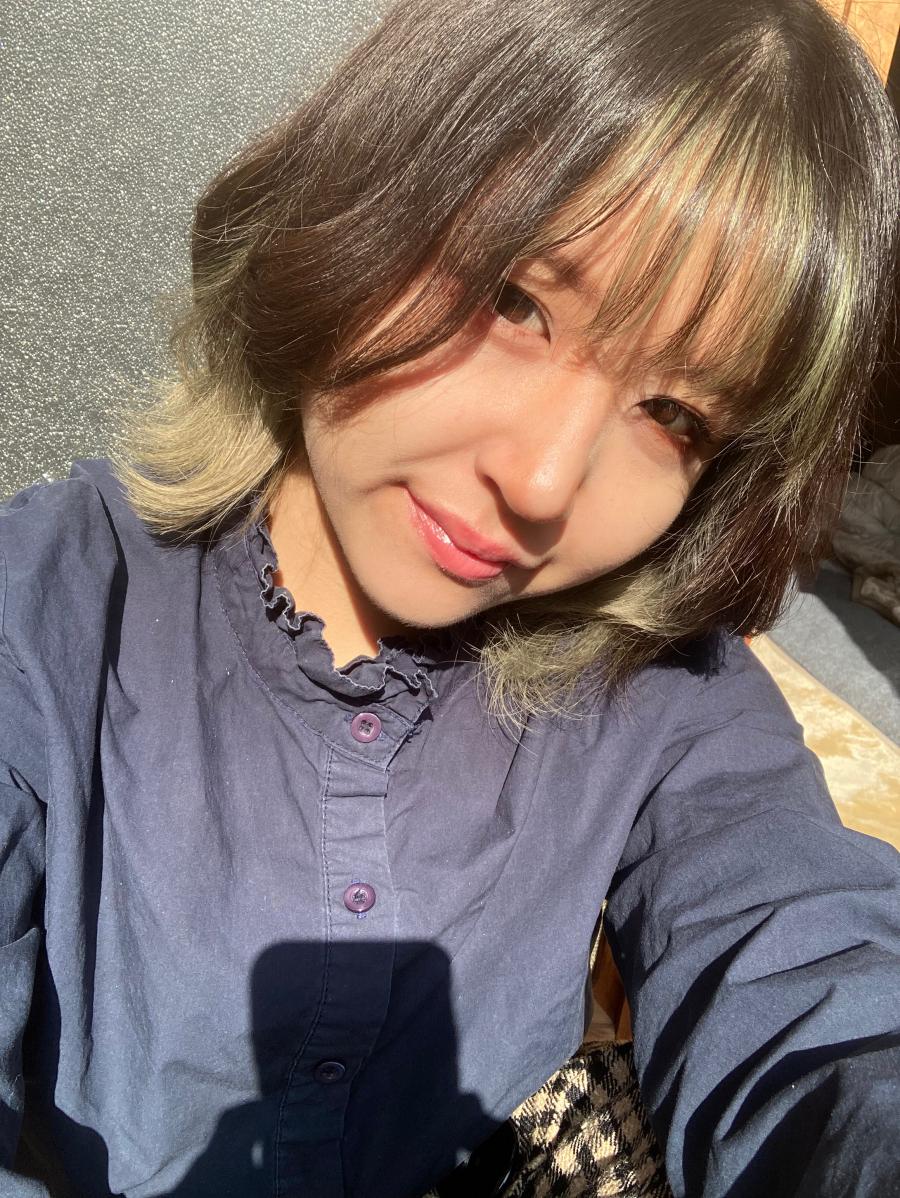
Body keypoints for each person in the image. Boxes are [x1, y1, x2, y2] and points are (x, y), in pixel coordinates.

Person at [1, 0, 899, 1195]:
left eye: (675, 414)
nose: (542, 482)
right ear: (366, 192)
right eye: (515, 300)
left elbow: (810, 979)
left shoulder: (658, 691)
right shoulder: (50, 612)